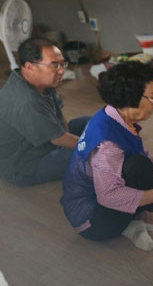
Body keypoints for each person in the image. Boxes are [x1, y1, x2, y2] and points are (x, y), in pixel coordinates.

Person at [60, 61, 153, 251]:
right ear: (129, 100)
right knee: (142, 169)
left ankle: (135, 222)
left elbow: (138, 151)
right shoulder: (107, 147)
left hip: (106, 196)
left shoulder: (113, 114)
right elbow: (108, 196)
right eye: (152, 97)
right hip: (95, 221)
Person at [0, 37, 90, 185]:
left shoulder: (42, 82)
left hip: (44, 142)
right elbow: (58, 138)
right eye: (54, 65)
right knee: (86, 155)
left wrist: (70, 140)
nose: (61, 71)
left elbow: (59, 118)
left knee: (90, 122)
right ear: (30, 67)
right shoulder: (25, 100)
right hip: (23, 165)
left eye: (62, 64)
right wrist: (95, 147)